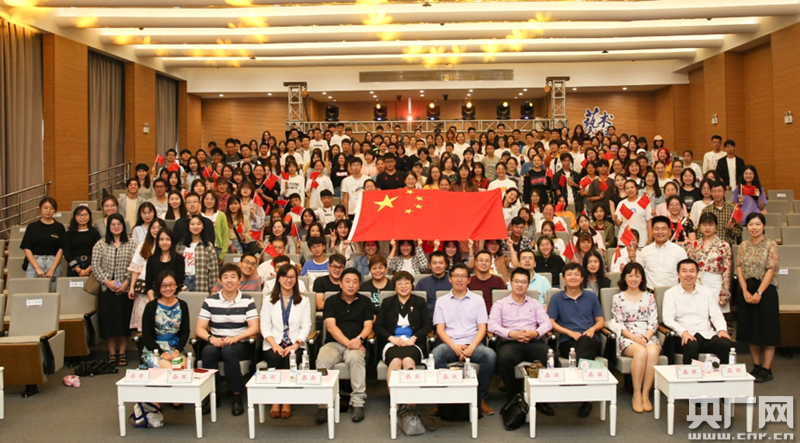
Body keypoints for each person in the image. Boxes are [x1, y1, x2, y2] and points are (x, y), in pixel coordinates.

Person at [432, 263, 497, 416]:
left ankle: (480, 398)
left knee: (490, 355)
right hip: (450, 344)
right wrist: (455, 347)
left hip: (473, 344)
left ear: (469, 280)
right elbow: (440, 330)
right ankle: (444, 400)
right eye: (456, 276)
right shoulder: (442, 301)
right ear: (450, 279)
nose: (459, 280)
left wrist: (471, 347)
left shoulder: (478, 300)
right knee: (436, 355)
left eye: (463, 276)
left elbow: (482, 328)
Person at [196, 264, 259, 416]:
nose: (229, 280)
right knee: (208, 352)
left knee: (229, 352)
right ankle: (212, 394)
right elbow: (199, 328)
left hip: (240, 343)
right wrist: (211, 338)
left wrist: (235, 338)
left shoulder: (247, 300)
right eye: (225, 277)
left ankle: (236, 395)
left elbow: (254, 327)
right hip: (216, 341)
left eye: (233, 277)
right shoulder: (210, 300)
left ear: (239, 280)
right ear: (220, 280)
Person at [489, 268, 553, 412]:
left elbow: (547, 323)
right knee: (505, 359)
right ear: (510, 283)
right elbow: (492, 325)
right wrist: (512, 334)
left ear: (528, 285)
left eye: (523, 282)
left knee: (550, 356)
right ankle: (513, 399)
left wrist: (534, 333)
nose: (520, 285)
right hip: (511, 342)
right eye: (517, 281)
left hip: (533, 341)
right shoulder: (500, 304)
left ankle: (542, 399)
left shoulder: (534, 303)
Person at [547, 263, 605, 418]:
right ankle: (586, 397)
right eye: (569, 274)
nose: (573, 277)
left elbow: (601, 321)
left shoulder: (591, 296)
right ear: (564, 278)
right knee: (582, 349)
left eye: (576, 274)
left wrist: (592, 329)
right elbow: (551, 322)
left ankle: (575, 385)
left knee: (585, 342)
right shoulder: (556, 298)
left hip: (590, 338)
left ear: (582, 278)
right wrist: (570, 332)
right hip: (568, 341)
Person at [316, 268, 373, 423]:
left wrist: (359, 339)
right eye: (347, 281)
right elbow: (331, 327)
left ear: (359, 285)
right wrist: (350, 343)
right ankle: (323, 403)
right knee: (322, 357)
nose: (351, 285)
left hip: (356, 342)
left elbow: (368, 325)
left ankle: (358, 402)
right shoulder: (331, 301)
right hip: (335, 343)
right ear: (340, 284)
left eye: (355, 282)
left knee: (356, 358)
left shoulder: (365, 301)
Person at [609, 263, 661, 413]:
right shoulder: (618, 298)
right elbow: (618, 323)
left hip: (647, 334)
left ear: (642, 278)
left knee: (652, 351)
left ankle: (646, 394)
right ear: (624, 278)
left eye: (637, 276)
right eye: (630, 275)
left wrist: (645, 337)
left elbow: (653, 321)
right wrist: (633, 337)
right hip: (627, 336)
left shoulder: (649, 297)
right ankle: (636, 394)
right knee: (640, 352)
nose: (633, 279)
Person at [261, 263, 311, 418]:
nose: (288, 280)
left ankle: (287, 401)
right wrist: (274, 345)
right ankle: (276, 400)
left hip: (295, 343)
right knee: (276, 357)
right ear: (278, 278)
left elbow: (306, 326)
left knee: (291, 358)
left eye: (292, 277)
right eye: (285, 276)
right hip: (273, 342)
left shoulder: (303, 300)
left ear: (296, 279)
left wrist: (296, 344)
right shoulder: (268, 300)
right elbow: (264, 326)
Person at [735, 213, 780, 383]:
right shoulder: (743, 245)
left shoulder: (771, 245)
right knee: (751, 330)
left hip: (766, 291)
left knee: (767, 331)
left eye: (757, 224)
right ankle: (756, 366)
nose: (754, 227)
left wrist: (759, 293)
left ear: (764, 226)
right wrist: (744, 290)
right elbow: (739, 268)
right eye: (751, 224)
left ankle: (767, 369)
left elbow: (771, 270)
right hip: (747, 290)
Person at [662, 259, 733, 365]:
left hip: (706, 335)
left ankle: (721, 374)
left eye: (692, 271)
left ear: (697, 274)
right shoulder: (670, 294)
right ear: (678, 274)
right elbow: (668, 319)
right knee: (691, 345)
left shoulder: (706, 292)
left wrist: (721, 330)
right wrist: (683, 332)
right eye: (684, 271)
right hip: (683, 336)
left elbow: (716, 315)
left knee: (725, 343)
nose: (688, 275)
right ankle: (690, 375)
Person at [374, 272, 433, 391]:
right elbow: (378, 326)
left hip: (414, 343)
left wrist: (414, 338)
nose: (403, 286)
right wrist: (392, 338)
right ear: (395, 287)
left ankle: (410, 399)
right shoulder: (387, 302)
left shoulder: (419, 302)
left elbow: (427, 325)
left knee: (408, 360)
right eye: (399, 283)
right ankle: (394, 399)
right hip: (392, 344)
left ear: (412, 285)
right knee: (395, 361)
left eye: (407, 283)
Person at [92, 213, 137, 367]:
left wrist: (126, 283)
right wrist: (107, 281)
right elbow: (95, 266)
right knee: (108, 323)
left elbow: (134, 266)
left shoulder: (131, 244)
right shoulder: (100, 244)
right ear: (108, 227)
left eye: (119, 224)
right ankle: (112, 353)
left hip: (124, 290)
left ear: (123, 226)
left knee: (123, 323)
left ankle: (122, 352)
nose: (116, 227)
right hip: (106, 290)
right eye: (113, 224)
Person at [140, 270, 190, 371]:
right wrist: (161, 352)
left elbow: (185, 331)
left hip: (175, 349)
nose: (168, 288)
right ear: (158, 287)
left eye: (171, 285)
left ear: (176, 285)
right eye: (164, 285)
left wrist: (177, 350)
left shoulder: (182, 305)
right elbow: (146, 334)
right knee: (168, 368)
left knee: (181, 367)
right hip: (155, 350)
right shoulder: (151, 306)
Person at [682, 213, 732, 312]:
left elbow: (727, 271)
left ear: (716, 226)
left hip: (715, 283)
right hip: (697, 282)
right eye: (704, 225)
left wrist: (724, 292)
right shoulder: (694, 244)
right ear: (700, 226)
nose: (707, 228)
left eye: (710, 225)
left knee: (715, 315)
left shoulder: (723, 245)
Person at [128, 218, 166, 331]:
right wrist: (131, 287)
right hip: (144, 287)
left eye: (159, 227)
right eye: (153, 227)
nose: (156, 230)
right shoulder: (143, 245)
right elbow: (136, 268)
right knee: (144, 321)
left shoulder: (167, 246)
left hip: (163, 288)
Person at [21, 197, 66, 281]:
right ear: (40, 209)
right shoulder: (32, 227)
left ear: (55, 210)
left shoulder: (59, 227)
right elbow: (27, 248)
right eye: (45, 208)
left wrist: (52, 269)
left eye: (51, 208)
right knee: (32, 288)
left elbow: (61, 249)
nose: (48, 211)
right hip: (35, 262)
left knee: (53, 289)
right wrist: (37, 268)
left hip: (53, 262)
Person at [637, 216, 688, 288]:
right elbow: (638, 271)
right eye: (657, 229)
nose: (660, 232)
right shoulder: (645, 251)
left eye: (663, 229)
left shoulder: (679, 251)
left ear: (669, 231)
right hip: (650, 292)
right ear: (652, 231)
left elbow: (685, 274)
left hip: (672, 292)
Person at [178, 214, 220, 293]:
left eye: (198, 224)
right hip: (183, 281)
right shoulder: (180, 245)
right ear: (188, 226)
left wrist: (213, 291)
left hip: (200, 282)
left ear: (203, 226)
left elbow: (213, 271)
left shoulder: (208, 246)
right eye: (192, 224)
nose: (195, 226)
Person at [145, 227, 185, 300]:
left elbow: (180, 282)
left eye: (167, 239)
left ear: (172, 241)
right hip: (156, 297)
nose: (164, 242)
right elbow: (149, 284)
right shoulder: (151, 259)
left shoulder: (179, 259)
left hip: (174, 297)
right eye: (161, 239)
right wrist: (153, 303)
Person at [63, 205, 101, 277]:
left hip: (92, 266)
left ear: (89, 216)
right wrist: (78, 270)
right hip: (74, 267)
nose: (82, 217)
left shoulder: (95, 233)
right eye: (79, 215)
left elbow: (99, 252)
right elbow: (67, 254)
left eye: (85, 215)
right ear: (75, 217)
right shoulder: (69, 234)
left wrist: (90, 268)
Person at [699, 181, 742, 245]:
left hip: (727, 245)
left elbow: (739, 233)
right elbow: (700, 232)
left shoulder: (732, 210)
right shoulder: (706, 210)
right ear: (711, 193)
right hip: (710, 245)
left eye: (719, 191)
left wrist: (732, 228)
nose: (717, 194)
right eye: (714, 191)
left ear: (724, 193)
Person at [414, 251, 452, 318]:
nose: (438, 266)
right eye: (434, 263)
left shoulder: (453, 282)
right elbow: (415, 303)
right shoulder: (422, 282)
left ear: (446, 265)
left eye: (441, 263)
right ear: (429, 266)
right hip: (427, 317)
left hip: (449, 316)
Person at [469, 249, 508, 314]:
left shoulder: (498, 281)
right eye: (481, 260)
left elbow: (505, 301)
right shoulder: (469, 281)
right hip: (473, 314)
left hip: (494, 315)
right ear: (476, 263)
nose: (484, 263)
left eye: (487, 261)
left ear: (491, 263)